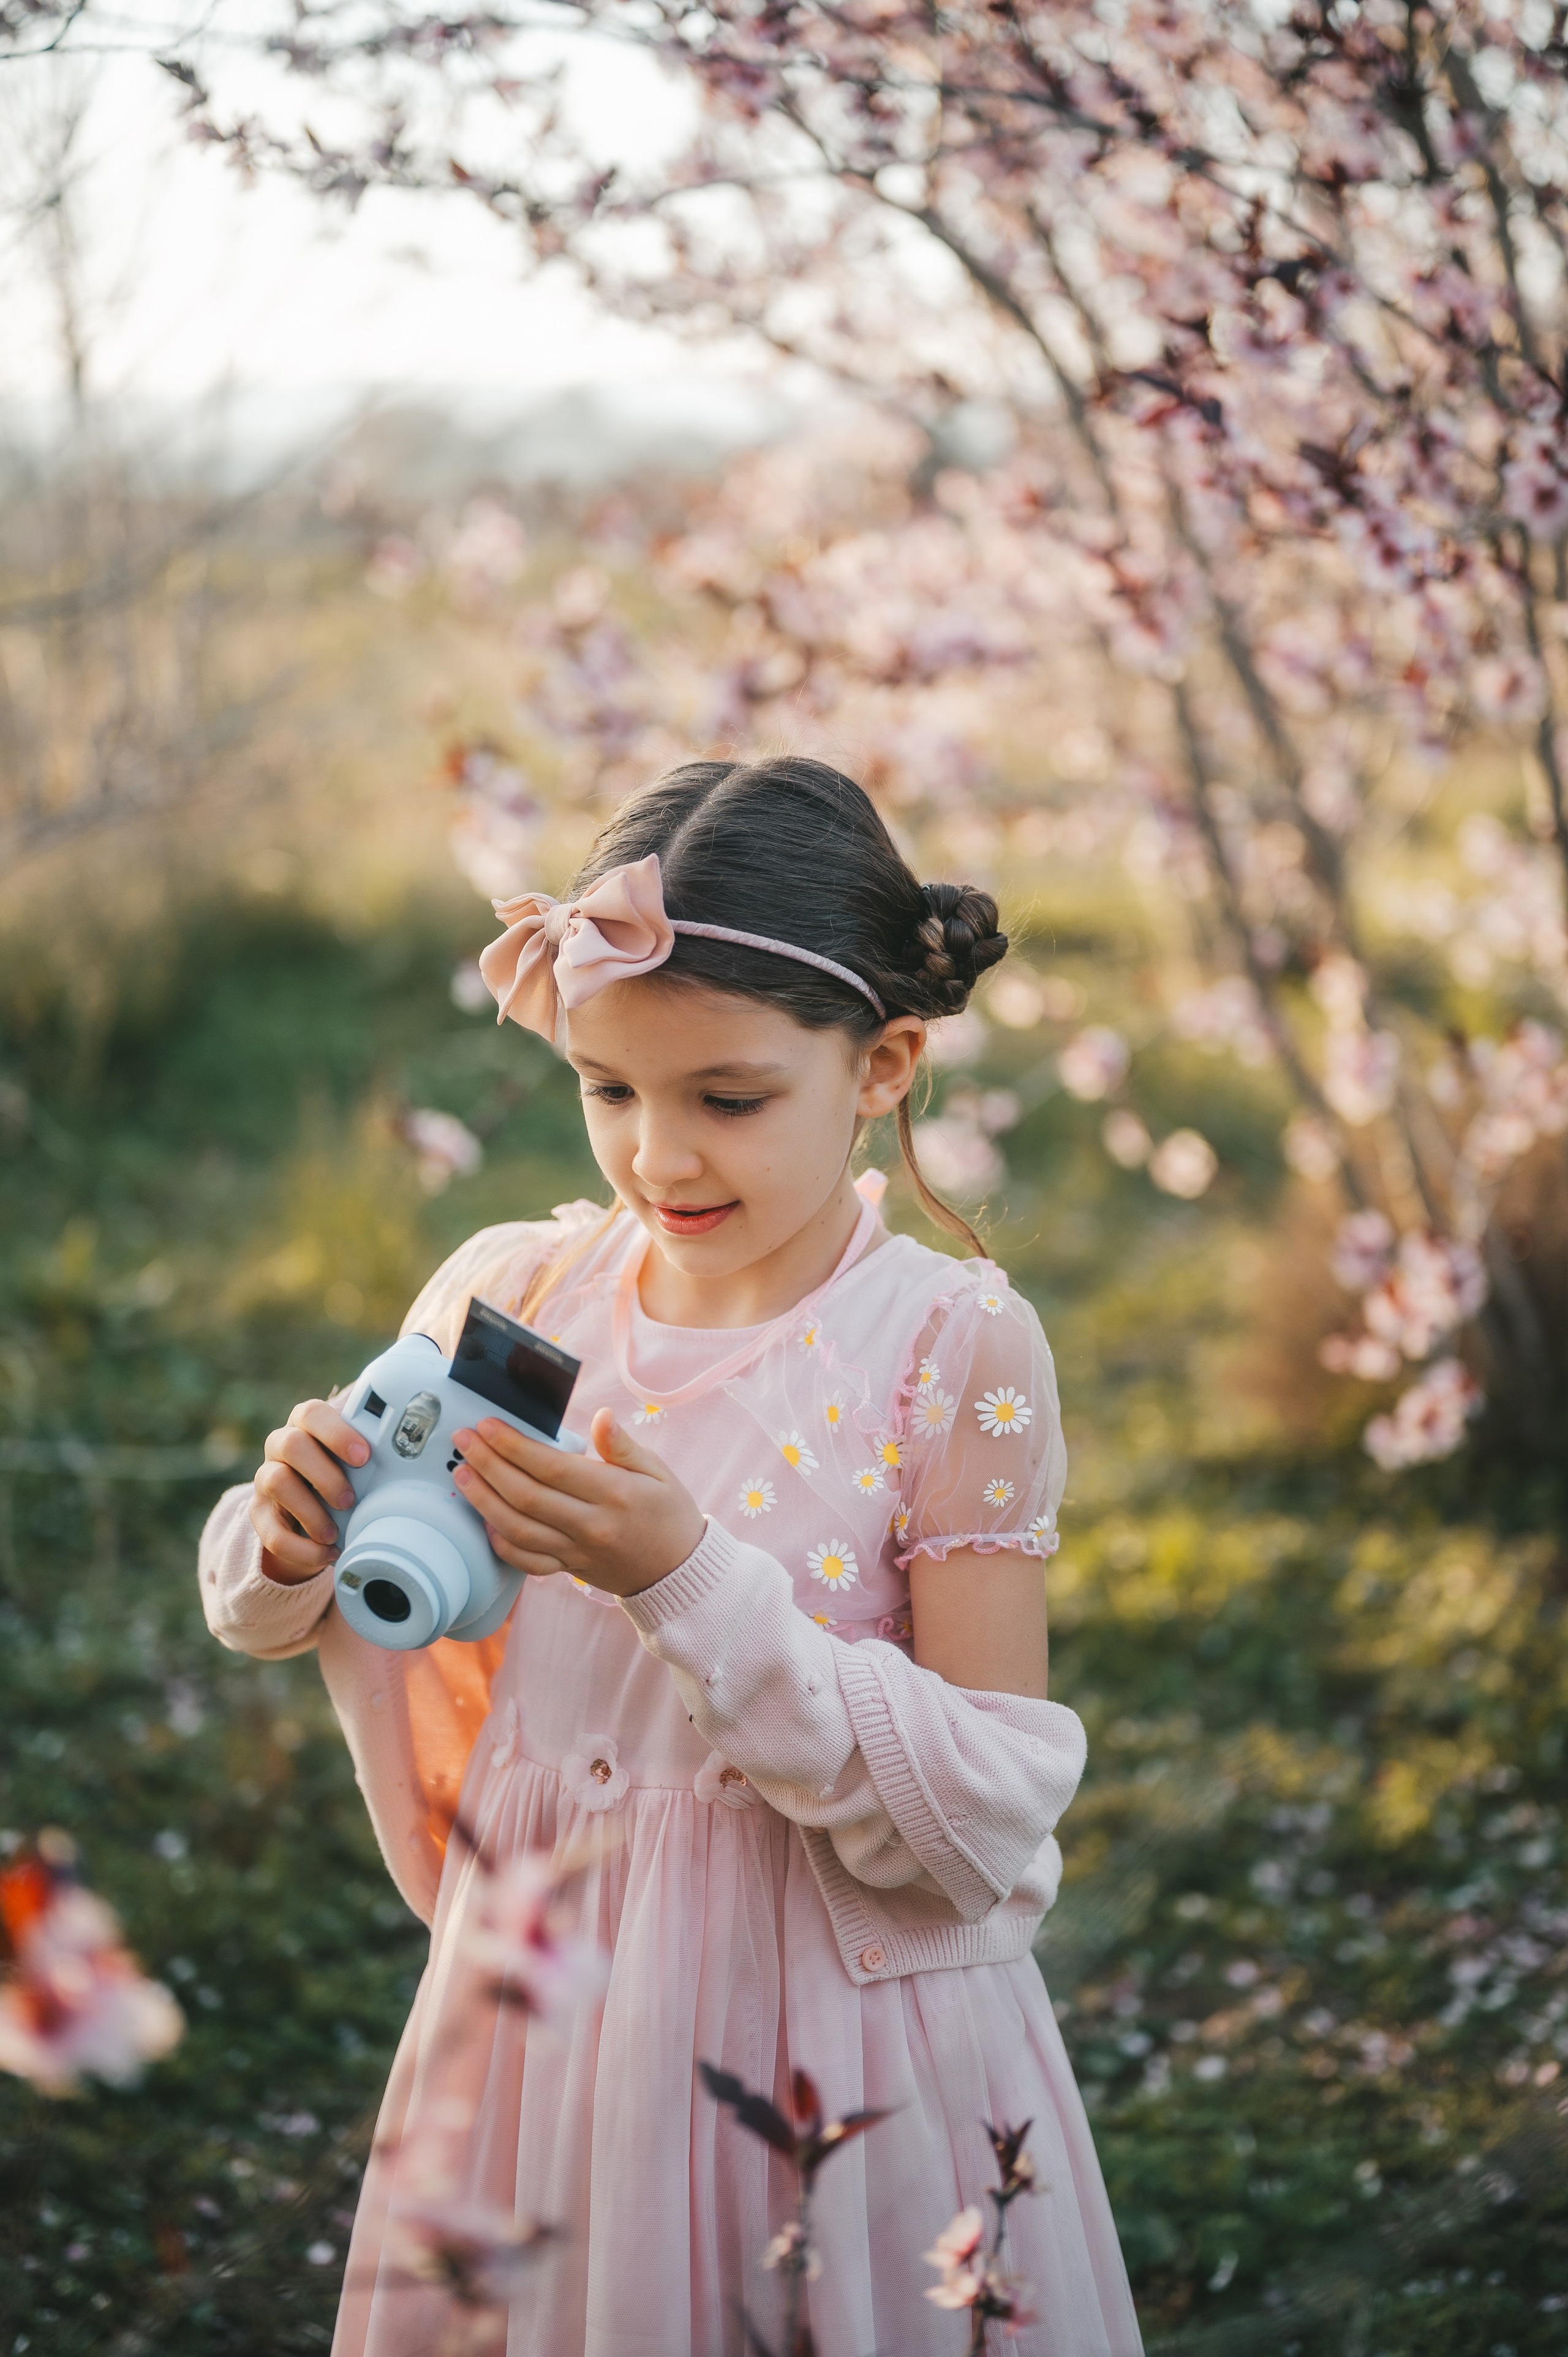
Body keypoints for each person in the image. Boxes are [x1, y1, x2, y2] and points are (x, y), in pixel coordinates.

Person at [198, 757, 1143, 2357]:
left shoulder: (947, 1347)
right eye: (610, 1090)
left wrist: (684, 1581)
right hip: (548, 2014)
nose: (660, 1161)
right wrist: (285, 1540)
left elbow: (990, 1806)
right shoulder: (519, 1294)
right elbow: (322, 1586)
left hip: (827, 2042)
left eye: (729, 1099)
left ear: (884, 1065)